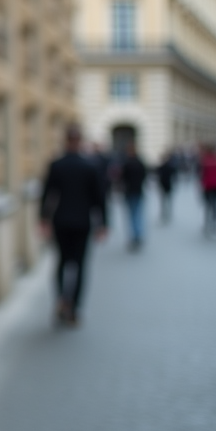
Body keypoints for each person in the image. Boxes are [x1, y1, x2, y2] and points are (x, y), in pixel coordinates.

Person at [40, 124, 108, 326]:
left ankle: (62, 299)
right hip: (82, 222)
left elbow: (47, 195)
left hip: (61, 220)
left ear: (66, 140)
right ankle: (75, 308)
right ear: (80, 141)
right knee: (80, 265)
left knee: (61, 262)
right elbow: (99, 197)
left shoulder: (56, 164)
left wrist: (43, 219)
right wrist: (103, 223)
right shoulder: (90, 166)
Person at [119, 142, 148, 250]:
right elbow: (144, 175)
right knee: (137, 214)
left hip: (130, 192)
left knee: (132, 215)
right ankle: (137, 235)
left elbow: (122, 178)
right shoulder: (140, 162)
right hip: (138, 191)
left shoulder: (127, 163)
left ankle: (135, 236)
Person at [199, 143, 216, 237]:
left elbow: (201, 174)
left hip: (208, 185)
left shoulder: (205, 160)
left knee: (208, 205)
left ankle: (207, 224)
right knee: (214, 204)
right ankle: (214, 223)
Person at [155, 150, 176, 224]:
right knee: (165, 201)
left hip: (165, 185)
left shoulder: (164, 167)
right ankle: (165, 214)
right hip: (166, 185)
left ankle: (165, 214)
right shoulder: (167, 167)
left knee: (164, 201)